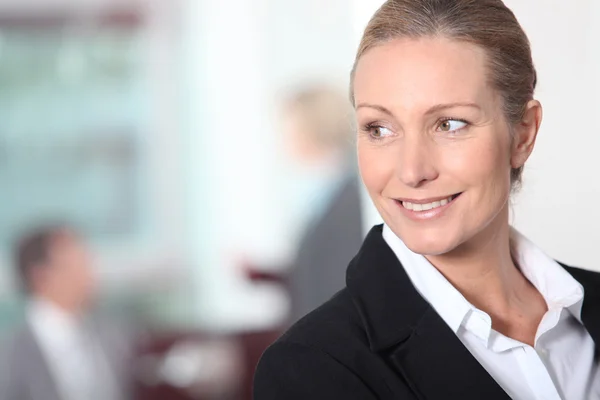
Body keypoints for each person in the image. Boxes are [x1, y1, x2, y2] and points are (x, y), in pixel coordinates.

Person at [254, 1, 600, 399]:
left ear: (522, 134)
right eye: (379, 128)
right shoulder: (313, 369)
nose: (411, 171)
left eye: (450, 124)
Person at [0, 225, 134, 400]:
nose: (90, 275)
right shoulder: (9, 356)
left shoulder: (115, 337)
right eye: (77, 264)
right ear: (40, 275)